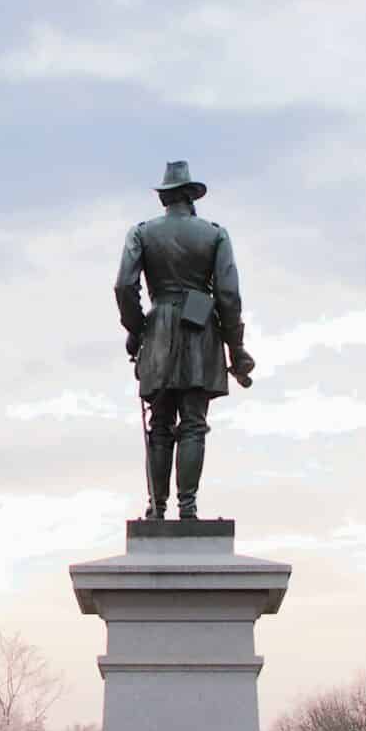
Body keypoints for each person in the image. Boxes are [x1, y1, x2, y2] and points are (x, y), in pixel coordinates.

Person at [115, 161, 256, 520]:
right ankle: (188, 505)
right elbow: (228, 295)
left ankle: (157, 506)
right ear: (191, 197)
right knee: (194, 422)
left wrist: (137, 328)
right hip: (200, 330)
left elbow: (124, 286)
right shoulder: (215, 234)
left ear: (165, 198)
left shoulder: (141, 233)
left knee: (159, 423)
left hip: (158, 330)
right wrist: (236, 347)